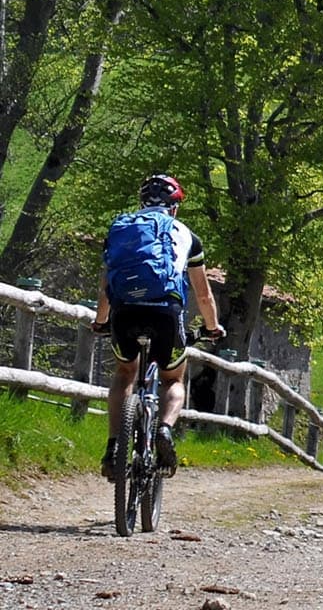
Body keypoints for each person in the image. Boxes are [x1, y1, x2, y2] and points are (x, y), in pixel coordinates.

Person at [90, 174, 224, 479]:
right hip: (166, 312)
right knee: (173, 379)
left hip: (125, 312)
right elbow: (203, 294)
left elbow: (105, 288)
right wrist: (212, 328)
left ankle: (113, 447)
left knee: (124, 373)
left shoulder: (120, 230)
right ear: (174, 207)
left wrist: (100, 322)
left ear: (142, 203)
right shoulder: (186, 235)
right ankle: (164, 428)